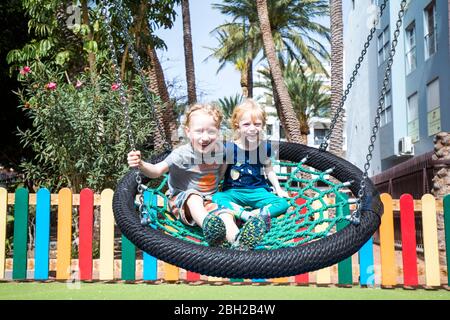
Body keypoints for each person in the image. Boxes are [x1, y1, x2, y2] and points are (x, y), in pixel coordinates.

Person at [127, 103, 265, 250]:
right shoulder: (181, 154)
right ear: (188, 132)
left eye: (211, 132)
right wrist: (141, 164)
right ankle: (209, 225)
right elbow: (156, 170)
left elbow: (226, 169)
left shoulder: (221, 151)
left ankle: (240, 243)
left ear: (218, 132)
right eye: (199, 131)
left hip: (211, 199)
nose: (205, 137)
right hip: (181, 200)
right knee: (194, 197)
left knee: (226, 214)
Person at [212, 99, 290, 231]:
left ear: (263, 125)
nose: (252, 128)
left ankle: (252, 215)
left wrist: (278, 189)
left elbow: (269, 170)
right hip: (234, 191)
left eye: (257, 124)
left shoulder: (264, 147)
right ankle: (247, 214)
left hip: (258, 191)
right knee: (217, 197)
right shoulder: (230, 148)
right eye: (247, 124)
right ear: (238, 125)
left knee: (282, 203)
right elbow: (221, 173)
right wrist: (212, 189)